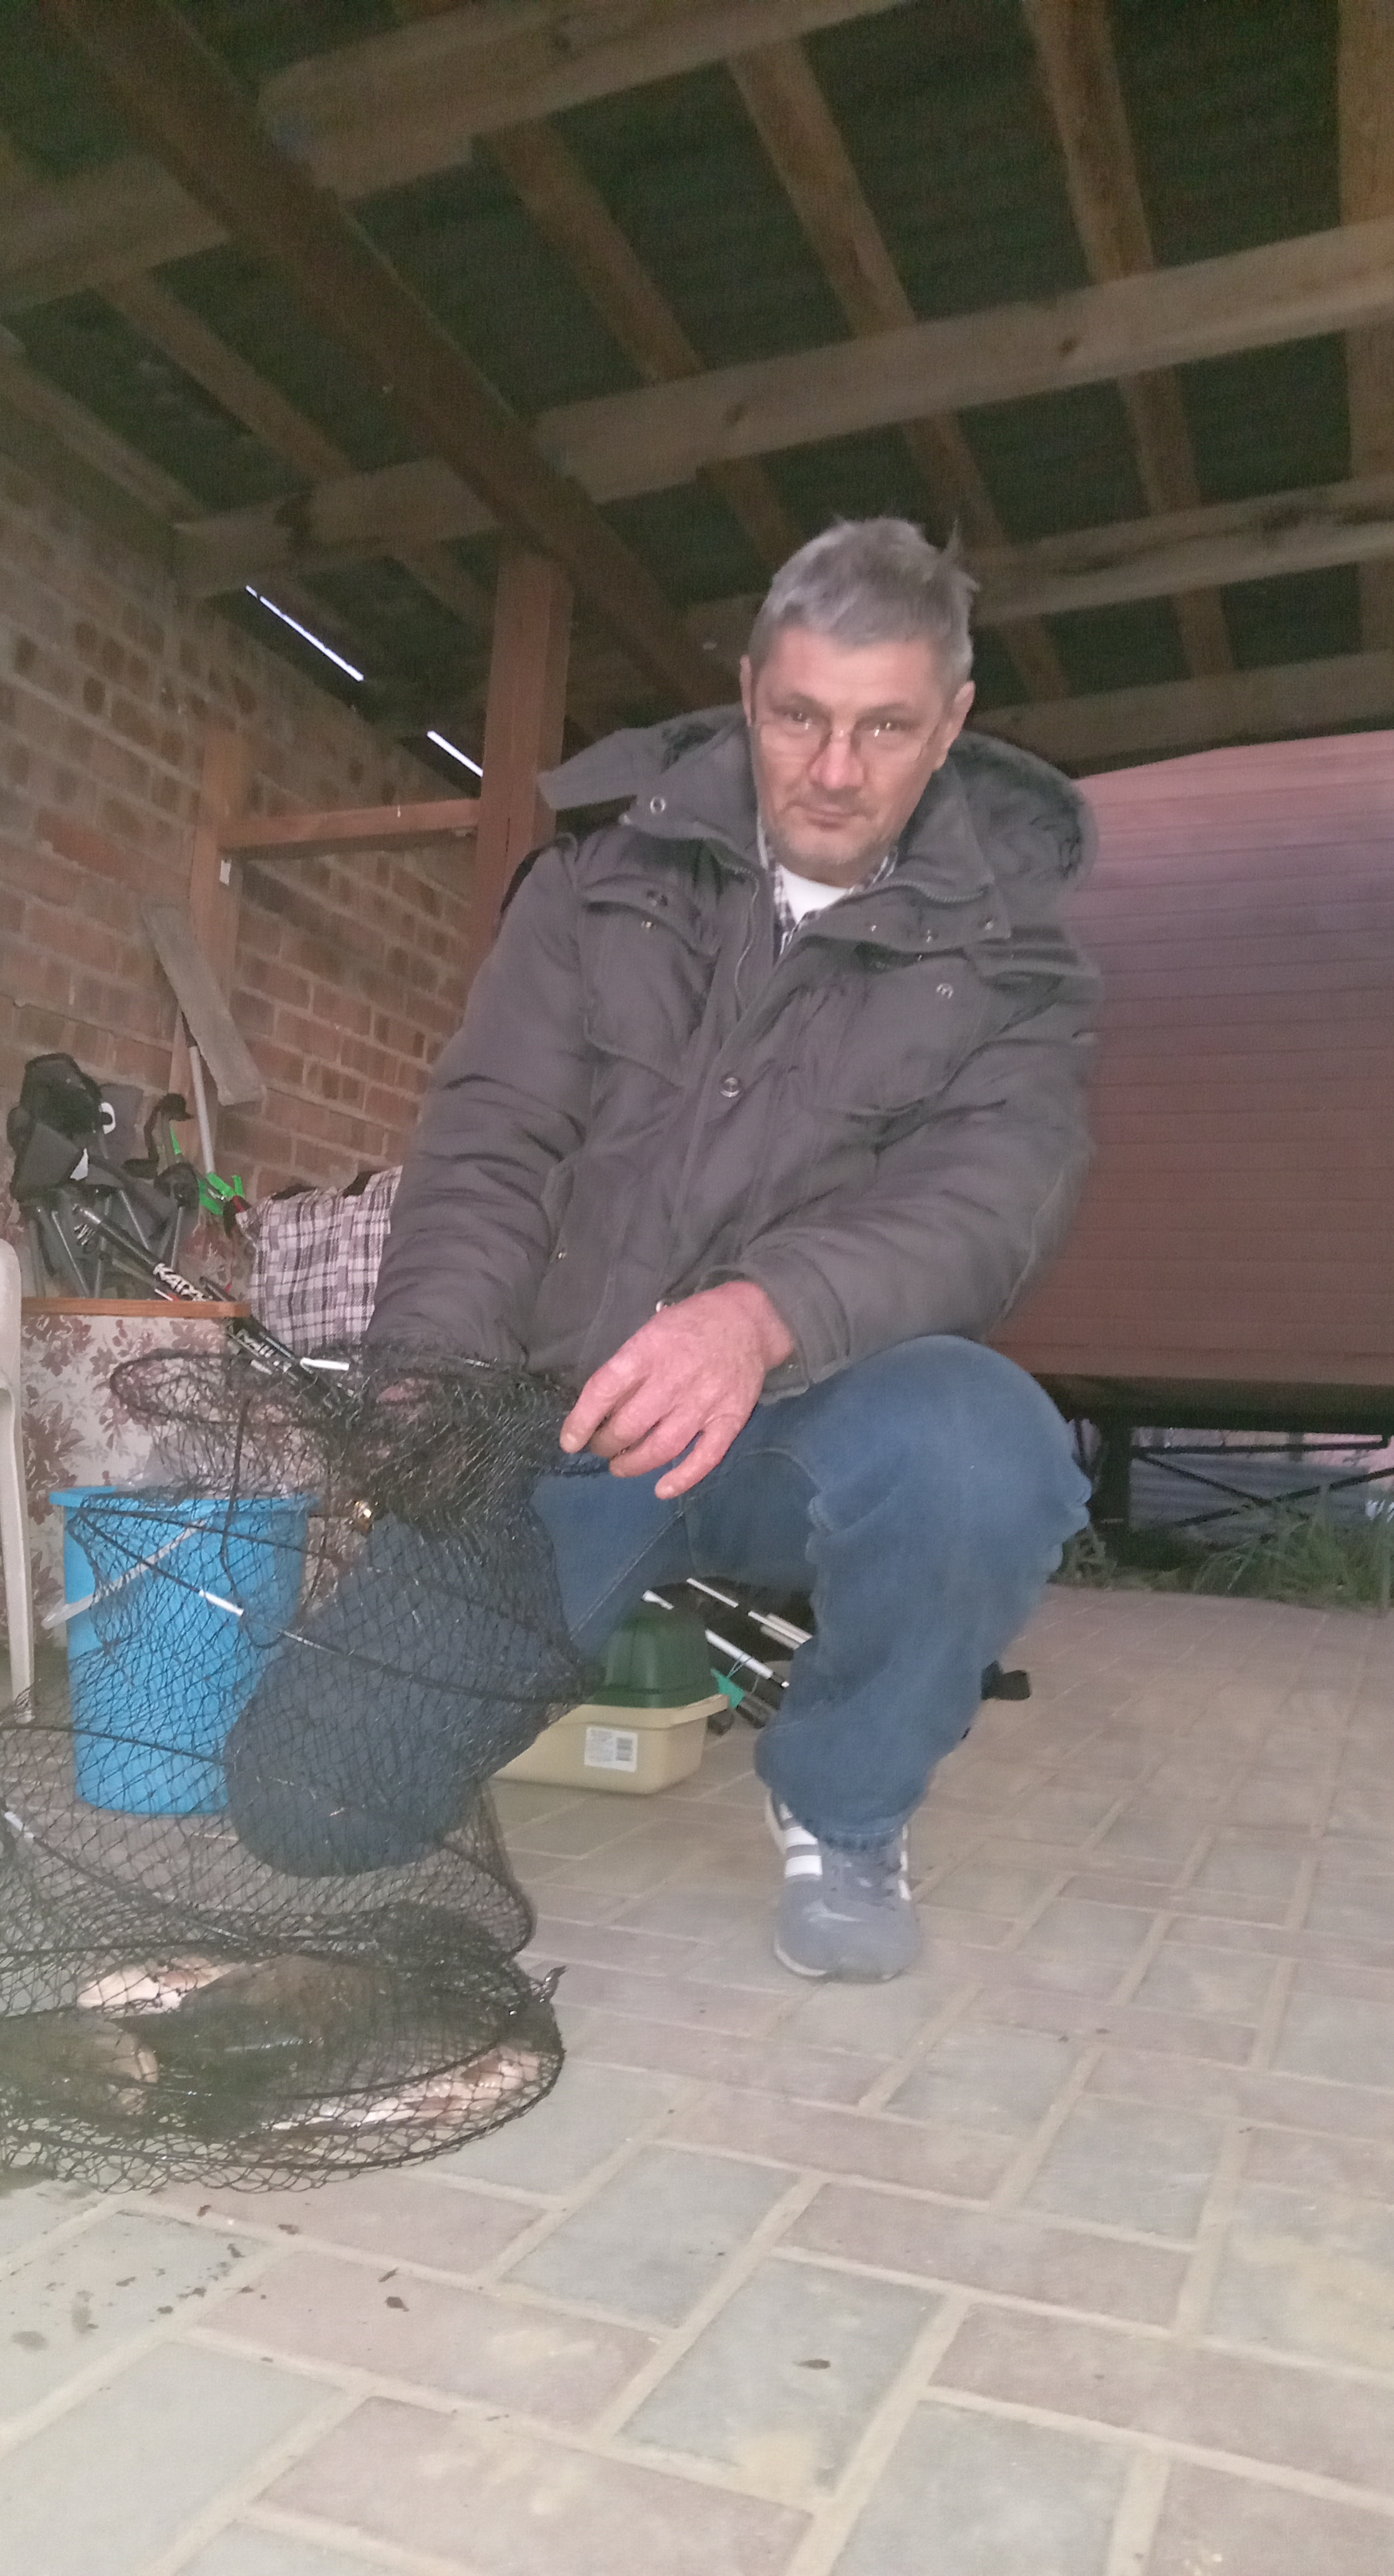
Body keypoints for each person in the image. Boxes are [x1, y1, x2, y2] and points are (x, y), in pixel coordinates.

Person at [368, 518, 1099, 1981]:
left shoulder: (1019, 969)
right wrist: (429, 1378)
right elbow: (491, 1146)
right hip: (567, 1415)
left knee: (987, 1450)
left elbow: (990, 1202)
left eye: (885, 727)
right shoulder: (593, 888)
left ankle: (847, 1809)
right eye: (800, 717)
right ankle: (455, 1693)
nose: (834, 770)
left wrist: (761, 1315)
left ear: (951, 723)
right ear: (752, 691)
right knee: (325, 1805)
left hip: (804, 1427)